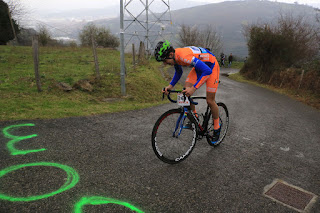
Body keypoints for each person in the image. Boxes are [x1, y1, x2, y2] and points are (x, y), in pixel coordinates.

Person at [154, 40, 221, 144]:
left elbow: (207, 71)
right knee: (184, 92)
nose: (165, 63)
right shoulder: (175, 58)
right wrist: (170, 86)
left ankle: (217, 128)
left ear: (171, 54)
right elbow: (179, 72)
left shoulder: (183, 56)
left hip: (211, 66)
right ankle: (195, 119)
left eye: (165, 60)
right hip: (200, 67)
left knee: (210, 100)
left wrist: (193, 88)